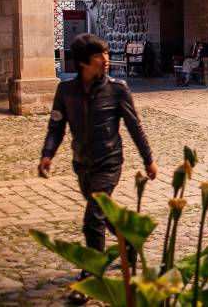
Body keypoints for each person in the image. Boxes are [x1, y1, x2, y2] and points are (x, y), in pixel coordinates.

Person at [39, 33, 158, 304]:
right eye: (98, 57)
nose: (105, 60)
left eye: (105, 54)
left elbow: (134, 126)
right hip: (82, 163)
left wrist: (148, 159)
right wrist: (47, 154)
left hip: (109, 162)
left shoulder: (118, 89)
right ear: (83, 62)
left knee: (92, 218)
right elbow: (56, 125)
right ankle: (128, 241)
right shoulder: (65, 91)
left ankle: (92, 278)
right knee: (103, 213)